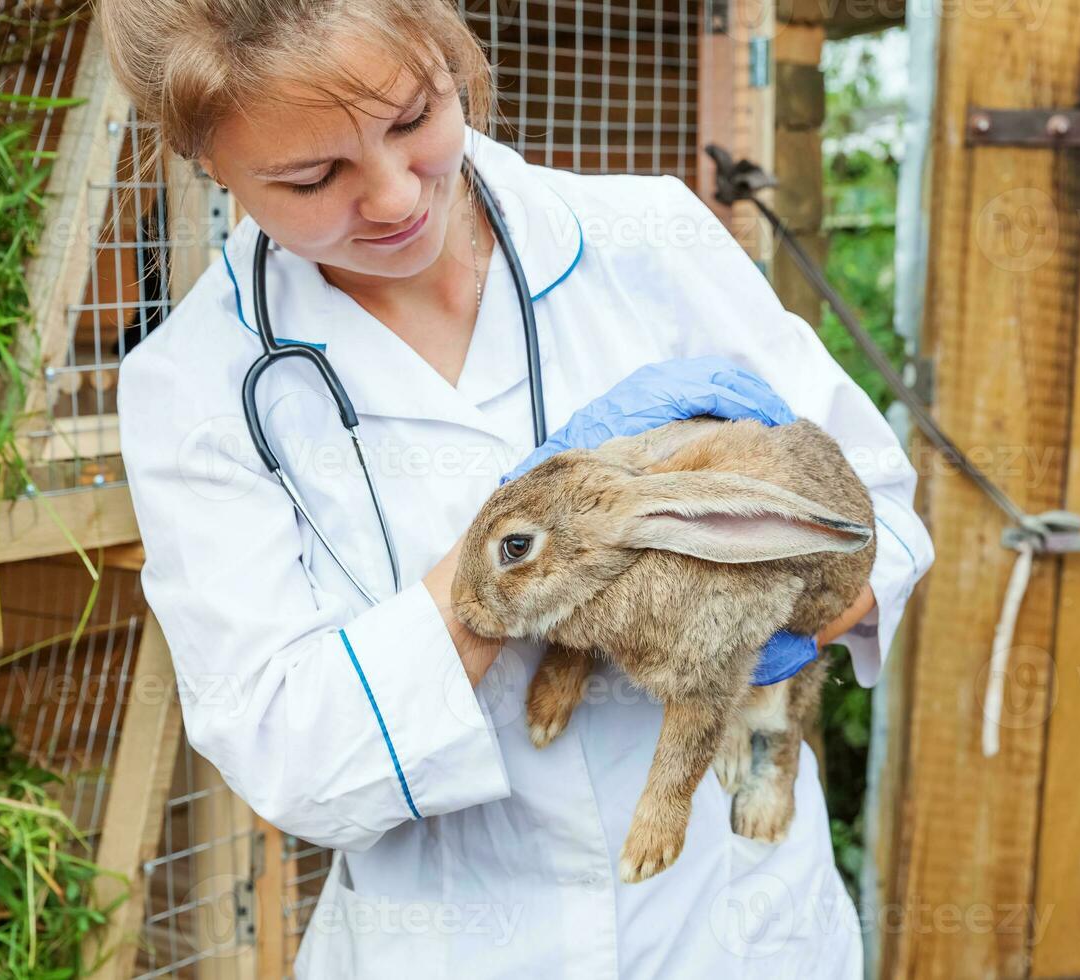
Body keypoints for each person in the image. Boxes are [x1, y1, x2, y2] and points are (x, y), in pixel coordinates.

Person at [101, 0, 934, 975]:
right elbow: (292, 758)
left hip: (739, 926)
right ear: (208, 163)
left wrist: (762, 601)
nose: (393, 197)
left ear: (452, 59)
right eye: (312, 176)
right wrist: (508, 554)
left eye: (414, 120)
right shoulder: (194, 385)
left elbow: (877, 505)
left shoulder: (648, 237)